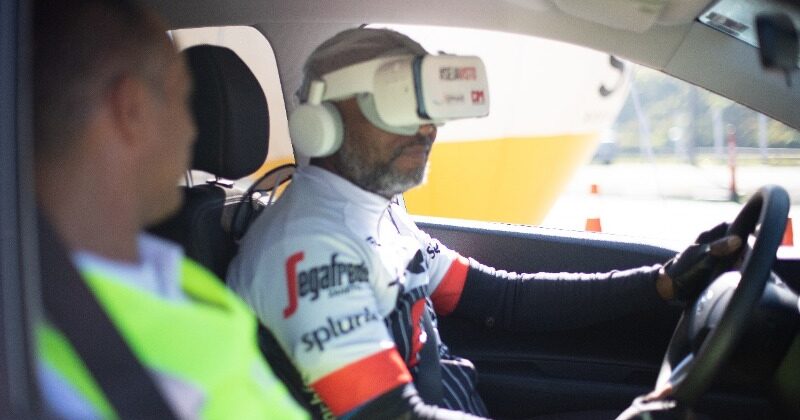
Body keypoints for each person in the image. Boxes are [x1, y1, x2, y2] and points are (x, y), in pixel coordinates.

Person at [227, 28, 741, 419]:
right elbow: (391, 416)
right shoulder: (309, 248)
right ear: (321, 121)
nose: (427, 127)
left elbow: (501, 298)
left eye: (428, 105)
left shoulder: (377, 214)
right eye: (399, 105)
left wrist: (659, 282)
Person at [33, 0, 308, 418]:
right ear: (131, 109)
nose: (193, 128)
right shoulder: (53, 354)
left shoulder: (176, 274)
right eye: (184, 100)